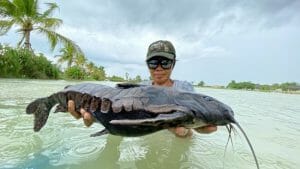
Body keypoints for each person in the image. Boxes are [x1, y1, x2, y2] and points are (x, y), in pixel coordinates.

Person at [67, 40, 217, 138]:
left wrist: (197, 127)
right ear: (147, 65)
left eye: (165, 62)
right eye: (153, 63)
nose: (159, 68)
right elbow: (112, 108)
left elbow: (197, 119)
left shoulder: (185, 89)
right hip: (143, 139)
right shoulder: (138, 88)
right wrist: (97, 118)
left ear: (173, 64)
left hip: (178, 139)